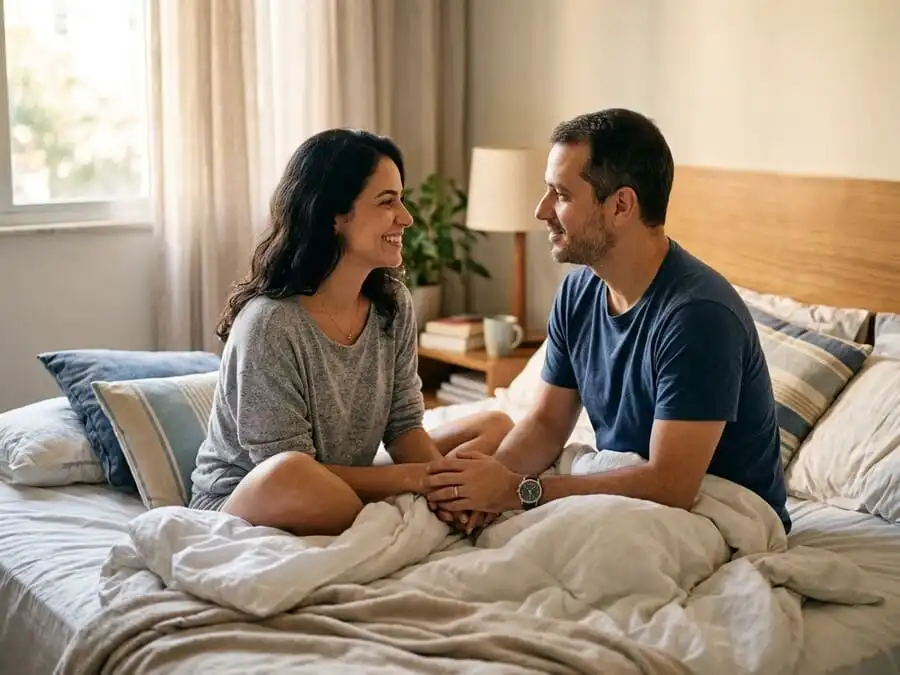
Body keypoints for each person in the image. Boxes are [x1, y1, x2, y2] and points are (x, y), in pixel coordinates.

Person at [424, 108, 791, 534]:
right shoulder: (578, 291)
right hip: (629, 489)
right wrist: (483, 491)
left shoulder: (699, 317)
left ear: (621, 205)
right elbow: (546, 424)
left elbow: (671, 485)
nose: (542, 210)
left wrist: (517, 492)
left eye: (560, 194)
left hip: (720, 511)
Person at [189, 128, 512, 537]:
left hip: (342, 478)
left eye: (401, 198)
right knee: (294, 473)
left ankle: (400, 503)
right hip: (251, 494)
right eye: (387, 201)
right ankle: (394, 504)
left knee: (496, 426)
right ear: (335, 216)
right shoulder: (269, 323)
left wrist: (442, 483)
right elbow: (285, 465)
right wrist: (423, 480)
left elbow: (404, 427)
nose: (406, 217)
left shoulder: (393, 303)